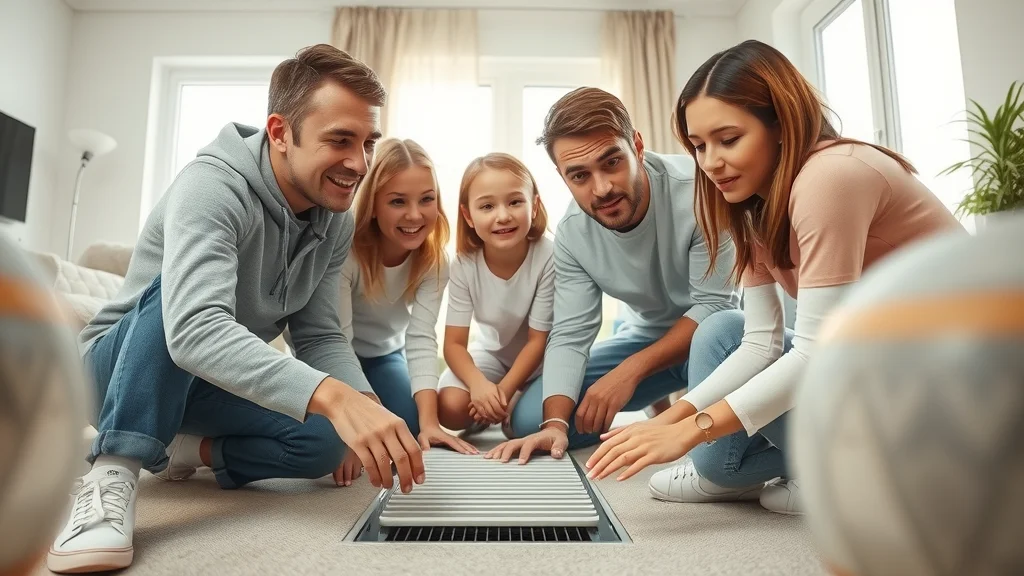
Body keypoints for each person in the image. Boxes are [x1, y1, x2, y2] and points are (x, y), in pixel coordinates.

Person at [47, 45, 427, 574]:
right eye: (339, 141)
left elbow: (317, 334)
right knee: (180, 301)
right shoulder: (211, 186)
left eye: (367, 143)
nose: (358, 164)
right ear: (279, 132)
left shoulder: (334, 215)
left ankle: (183, 448)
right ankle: (114, 471)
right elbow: (193, 330)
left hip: (206, 378)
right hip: (115, 372)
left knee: (323, 441)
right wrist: (332, 394)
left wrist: (363, 407)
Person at [584, 40, 965, 514]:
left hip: (947, 392)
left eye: (729, 139)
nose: (710, 162)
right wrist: (674, 419)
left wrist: (689, 430)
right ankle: (812, 471)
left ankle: (854, 473)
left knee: (722, 431)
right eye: (698, 145)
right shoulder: (753, 204)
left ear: (780, 125)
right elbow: (760, 342)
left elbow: (816, 348)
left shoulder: (832, 177)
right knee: (725, 331)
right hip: (878, 373)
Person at [485, 87, 740, 464]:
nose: (601, 188)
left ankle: (671, 395)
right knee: (529, 421)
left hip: (718, 337)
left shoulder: (701, 190)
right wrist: (555, 424)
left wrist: (629, 372)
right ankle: (664, 389)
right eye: (579, 175)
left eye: (611, 163)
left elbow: (714, 306)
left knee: (713, 452)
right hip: (648, 335)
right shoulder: (572, 233)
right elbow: (571, 332)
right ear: (561, 176)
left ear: (636, 146)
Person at [332, 138, 477, 487]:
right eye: (398, 201)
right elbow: (338, 340)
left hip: (384, 354)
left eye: (426, 199)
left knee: (407, 429)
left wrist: (430, 424)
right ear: (373, 205)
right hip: (332, 358)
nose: (415, 215)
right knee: (337, 439)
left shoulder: (433, 261)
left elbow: (421, 338)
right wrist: (351, 431)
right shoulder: (347, 251)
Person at [436, 153, 555, 437]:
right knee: (451, 408)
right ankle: (489, 412)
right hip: (492, 355)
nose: (503, 215)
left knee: (525, 427)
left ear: (534, 205)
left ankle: (512, 402)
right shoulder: (464, 264)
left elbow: (537, 342)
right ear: (468, 215)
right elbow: (453, 344)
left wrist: (502, 391)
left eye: (515, 202)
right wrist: (479, 386)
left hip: (542, 362)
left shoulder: (548, 255)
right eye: (487, 206)